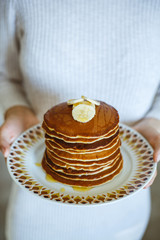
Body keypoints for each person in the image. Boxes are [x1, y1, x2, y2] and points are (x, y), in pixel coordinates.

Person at [0, 1, 160, 239]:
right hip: (36, 215)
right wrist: (15, 108)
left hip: (126, 211)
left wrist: (155, 119)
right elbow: (5, 74)